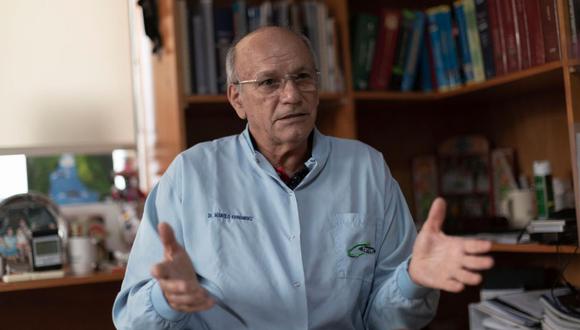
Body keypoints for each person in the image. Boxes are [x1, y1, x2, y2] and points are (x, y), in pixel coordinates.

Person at [113, 26, 494, 329]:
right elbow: (131, 320)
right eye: (268, 83)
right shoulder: (190, 175)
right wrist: (167, 298)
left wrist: (413, 280)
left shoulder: (367, 170)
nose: (292, 95)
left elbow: (384, 320)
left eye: (302, 77)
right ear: (236, 100)